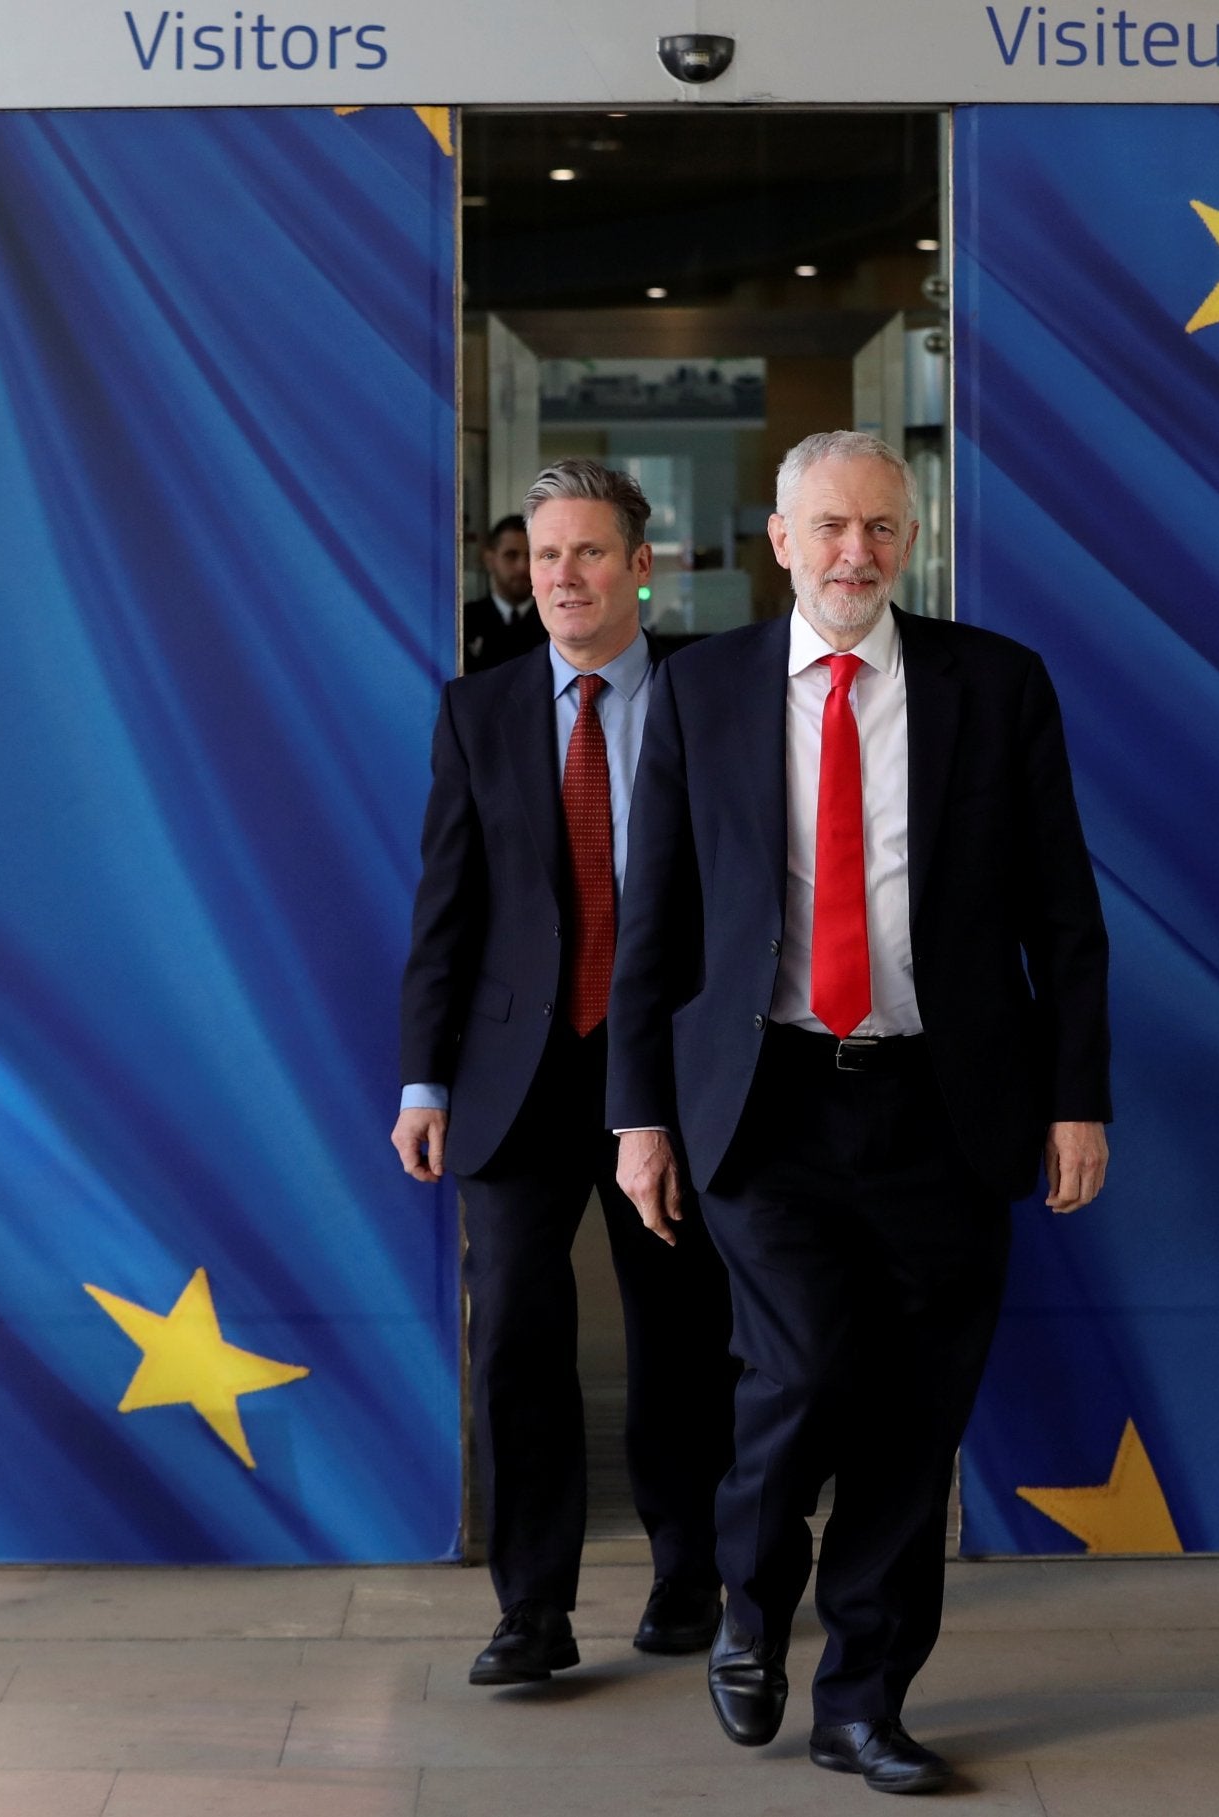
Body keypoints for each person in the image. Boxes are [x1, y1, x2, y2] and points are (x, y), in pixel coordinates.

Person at [608, 430, 1111, 1794]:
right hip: (763, 1103)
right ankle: (752, 1599)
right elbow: (652, 925)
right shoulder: (699, 691)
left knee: (917, 1415)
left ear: (911, 539)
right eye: (829, 528)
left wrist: (1076, 1098)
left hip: (950, 1101)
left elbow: (1062, 915)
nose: (855, 555)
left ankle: (864, 1702)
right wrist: (638, 1117)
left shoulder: (994, 686)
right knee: (813, 1368)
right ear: (780, 541)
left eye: (882, 529)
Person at [395, 459, 738, 1689]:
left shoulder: (717, 698)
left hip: (676, 1066)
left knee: (684, 1336)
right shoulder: (475, 711)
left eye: (588, 553)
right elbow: (445, 913)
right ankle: (531, 1610)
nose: (563, 577)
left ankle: (691, 1571)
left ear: (640, 566)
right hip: (514, 1074)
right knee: (519, 1348)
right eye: (545, 556)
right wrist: (422, 1081)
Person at [461, 514, 542, 673]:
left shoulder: (555, 622)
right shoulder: (465, 621)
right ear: (489, 559)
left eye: (531, 556)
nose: (522, 567)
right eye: (511, 555)